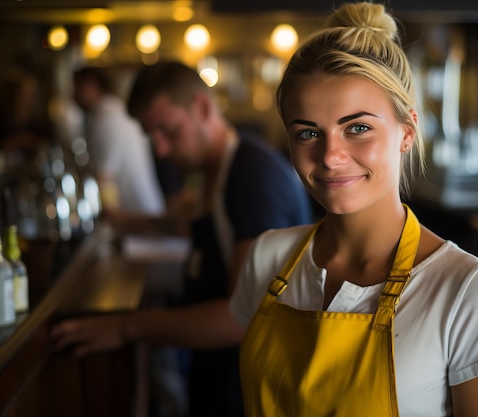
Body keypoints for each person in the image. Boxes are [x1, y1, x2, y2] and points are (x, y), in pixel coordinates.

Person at [229, 2, 478, 416]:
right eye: (308, 132)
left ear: (406, 132)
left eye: (358, 128)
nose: (330, 156)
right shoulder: (268, 257)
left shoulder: (467, 290)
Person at [52, 61, 314, 417]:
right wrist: (126, 222)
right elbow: (183, 228)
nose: (160, 149)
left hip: (251, 395)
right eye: (151, 137)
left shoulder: (251, 178)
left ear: (203, 108)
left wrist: (125, 326)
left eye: (168, 131)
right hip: (216, 379)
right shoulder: (213, 171)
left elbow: (241, 317)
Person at [72, 65, 166, 216]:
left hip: (138, 224)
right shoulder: (115, 110)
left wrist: (108, 221)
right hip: (145, 216)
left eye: (76, 86)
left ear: (91, 84)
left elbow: (104, 181)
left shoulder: (106, 119)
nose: (73, 93)